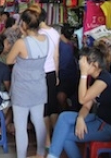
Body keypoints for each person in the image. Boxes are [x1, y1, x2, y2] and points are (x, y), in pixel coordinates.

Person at [47, 45, 111, 158]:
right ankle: (52, 155)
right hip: (99, 119)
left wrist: (83, 74)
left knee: (65, 136)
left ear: (95, 64)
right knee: (64, 117)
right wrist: (80, 118)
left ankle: (52, 155)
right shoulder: (95, 78)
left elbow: (82, 99)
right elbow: (86, 105)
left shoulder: (104, 80)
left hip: (110, 128)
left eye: (84, 62)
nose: (81, 64)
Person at [6, 6, 49, 158]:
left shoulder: (21, 43)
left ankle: (22, 156)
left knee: (20, 126)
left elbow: (9, 60)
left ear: (24, 24)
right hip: (39, 86)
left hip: (22, 89)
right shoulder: (46, 39)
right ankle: (41, 153)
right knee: (38, 121)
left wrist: (21, 38)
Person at [39, 8, 60, 148]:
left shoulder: (37, 34)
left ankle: (47, 140)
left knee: (43, 108)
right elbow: (56, 55)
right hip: (52, 72)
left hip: (39, 73)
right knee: (52, 105)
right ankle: (58, 138)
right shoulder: (54, 32)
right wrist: (57, 75)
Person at [57, 24, 79, 111]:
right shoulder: (69, 44)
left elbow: (62, 66)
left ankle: (65, 111)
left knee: (60, 96)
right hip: (71, 76)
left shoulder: (65, 47)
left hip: (66, 77)